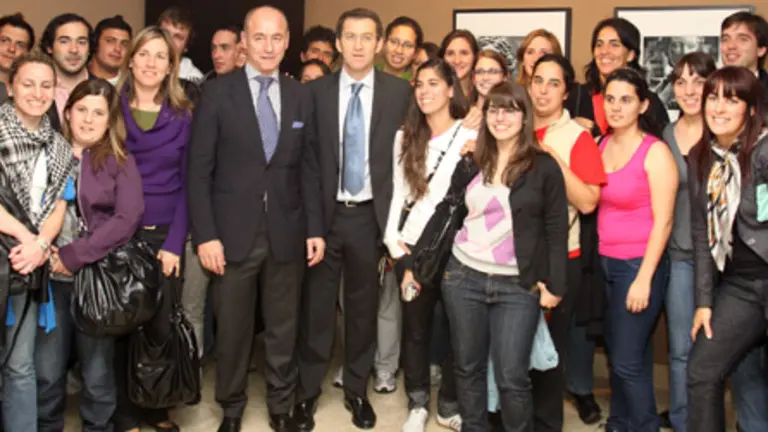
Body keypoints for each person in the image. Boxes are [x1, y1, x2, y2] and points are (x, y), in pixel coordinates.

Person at [188, 6, 323, 432]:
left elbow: (310, 168)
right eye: (258, 37)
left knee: (284, 328)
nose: (267, 46)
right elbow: (198, 170)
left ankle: (281, 406)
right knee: (232, 328)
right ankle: (230, 405)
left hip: (288, 229)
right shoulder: (217, 93)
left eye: (276, 38)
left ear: (287, 43)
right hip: (230, 235)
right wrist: (206, 235)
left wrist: (316, 228)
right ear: (244, 41)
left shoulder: (301, 95)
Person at [293, 7, 411, 431]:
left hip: (369, 219)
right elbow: (306, 164)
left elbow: (410, 159)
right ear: (338, 44)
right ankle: (306, 395)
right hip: (325, 219)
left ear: (378, 44)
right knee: (317, 312)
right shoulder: (316, 93)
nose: (359, 45)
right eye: (350, 37)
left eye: (367, 37)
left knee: (362, 312)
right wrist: (311, 226)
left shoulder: (400, 93)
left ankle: (357, 392)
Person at [439, 80, 567, 431]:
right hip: (464, 277)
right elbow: (450, 216)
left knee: (512, 378)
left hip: (517, 285)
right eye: (493, 109)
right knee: (468, 369)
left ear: (524, 115)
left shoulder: (543, 166)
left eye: (510, 109)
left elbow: (557, 229)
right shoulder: (471, 161)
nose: (500, 117)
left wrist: (554, 284)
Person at [41, 78, 143, 432]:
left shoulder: (119, 161)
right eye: (81, 109)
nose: (88, 119)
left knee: (97, 373)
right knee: (47, 371)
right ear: (67, 112)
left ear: (109, 119)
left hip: (96, 281)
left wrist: (73, 255)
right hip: (47, 280)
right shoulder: (46, 153)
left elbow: (127, 219)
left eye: (98, 112)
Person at [385, 58, 474, 432]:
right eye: (419, 84)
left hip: (458, 251)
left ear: (451, 89)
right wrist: (393, 244)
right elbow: (397, 195)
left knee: (459, 331)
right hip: (412, 250)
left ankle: (449, 403)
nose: (424, 90)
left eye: (434, 83)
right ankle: (418, 403)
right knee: (416, 329)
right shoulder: (405, 137)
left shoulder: (471, 136)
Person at [113, 25, 193, 432]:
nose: (150, 63)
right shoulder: (110, 107)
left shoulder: (183, 114)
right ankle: (126, 415)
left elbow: (189, 184)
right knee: (124, 325)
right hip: (119, 232)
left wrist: (176, 243)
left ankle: (156, 409)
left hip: (166, 236)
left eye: (160, 56)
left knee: (160, 325)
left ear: (170, 66)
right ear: (130, 59)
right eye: (143, 54)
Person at [686, 65, 768, 432]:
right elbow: (701, 236)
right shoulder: (701, 159)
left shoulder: (764, 153)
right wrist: (704, 303)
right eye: (712, 98)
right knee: (702, 371)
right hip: (739, 285)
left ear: (751, 109)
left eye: (731, 100)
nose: (718, 108)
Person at [528, 54, 607, 432]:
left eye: (553, 83)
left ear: (566, 92)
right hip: (514, 258)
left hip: (561, 258)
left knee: (548, 354)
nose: (543, 90)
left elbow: (589, 200)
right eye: (538, 80)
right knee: (513, 349)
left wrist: (554, 159)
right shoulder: (512, 124)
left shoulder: (576, 137)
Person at [597, 68, 677, 432]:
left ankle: (643, 426)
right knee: (623, 356)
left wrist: (644, 278)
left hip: (637, 266)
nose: (616, 107)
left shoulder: (655, 152)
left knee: (627, 361)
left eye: (626, 99)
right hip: (604, 263)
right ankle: (619, 424)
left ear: (643, 104)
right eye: (610, 99)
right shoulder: (599, 144)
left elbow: (664, 222)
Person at [0, 51, 73, 432]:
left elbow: (62, 203)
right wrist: (26, 237)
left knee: (20, 363)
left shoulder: (59, 145)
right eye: (28, 83)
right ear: (11, 87)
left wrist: (41, 246)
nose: (37, 92)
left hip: (28, 267)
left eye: (46, 85)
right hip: (13, 251)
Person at [658, 51, 716, 432]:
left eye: (698, 80)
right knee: (680, 350)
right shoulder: (665, 135)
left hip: (726, 262)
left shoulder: (727, 129)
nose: (689, 89)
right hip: (679, 257)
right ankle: (682, 421)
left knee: (719, 352)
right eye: (681, 81)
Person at [40, 13, 93, 129]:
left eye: (81, 42)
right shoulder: (36, 89)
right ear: (49, 47)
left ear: (89, 49)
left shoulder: (106, 90)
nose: (74, 49)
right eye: (64, 41)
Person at [720, 11, 768, 90]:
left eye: (742, 39)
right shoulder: (708, 88)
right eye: (725, 39)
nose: (731, 46)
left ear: (761, 50)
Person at [157, 6, 203, 82]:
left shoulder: (194, 81)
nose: (169, 40)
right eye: (165, 33)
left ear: (186, 46)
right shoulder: (140, 66)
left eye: (178, 37)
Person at [88, 15, 132, 85]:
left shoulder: (133, 86)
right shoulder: (77, 79)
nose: (118, 49)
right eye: (110, 41)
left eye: (124, 44)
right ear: (95, 43)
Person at [0, 13, 35, 99]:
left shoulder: (34, 93)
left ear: (27, 53)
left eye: (20, 45)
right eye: (4, 41)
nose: (12, 49)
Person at [378, 16, 422, 80]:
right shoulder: (367, 74)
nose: (399, 51)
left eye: (408, 45)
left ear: (416, 53)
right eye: (394, 42)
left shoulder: (416, 86)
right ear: (384, 43)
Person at [439, 30, 479, 99]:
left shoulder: (484, 94)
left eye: (464, 53)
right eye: (450, 53)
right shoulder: (435, 95)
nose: (457, 61)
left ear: (475, 57)